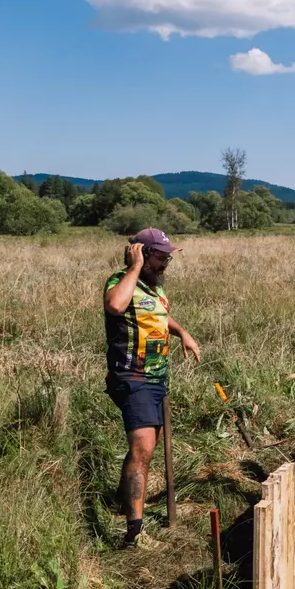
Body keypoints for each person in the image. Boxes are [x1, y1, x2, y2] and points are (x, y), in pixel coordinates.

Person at [104, 227, 201, 548]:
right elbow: (115, 306)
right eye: (160, 258)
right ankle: (134, 534)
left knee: (147, 446)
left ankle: (122, 502)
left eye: (168, 259)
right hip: (132, 377)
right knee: (143, 448)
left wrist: (182, 332)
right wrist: (134, 267)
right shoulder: (121, 281)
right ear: (142, 254)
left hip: (157, 378)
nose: (166, 264)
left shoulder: (154, 289)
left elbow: (159, 317)